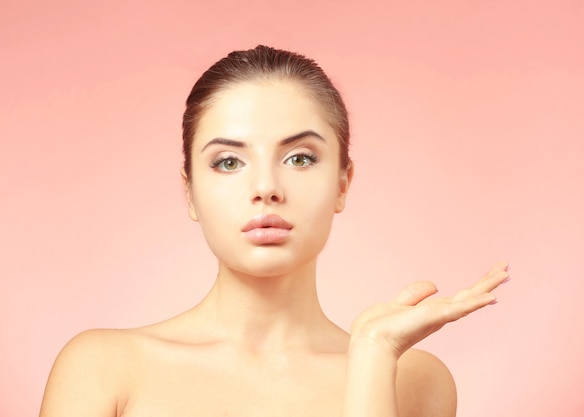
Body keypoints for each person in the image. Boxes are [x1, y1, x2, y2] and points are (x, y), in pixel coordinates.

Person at [39, 45, 510, 417]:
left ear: (343, 184)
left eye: (299, 158)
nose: (265, 188)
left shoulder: (414, 379)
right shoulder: (101, 368)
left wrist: (373, 356)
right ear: (189, 193)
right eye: (228, 162)